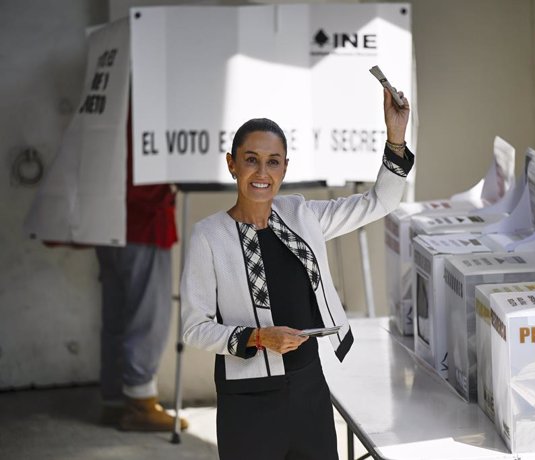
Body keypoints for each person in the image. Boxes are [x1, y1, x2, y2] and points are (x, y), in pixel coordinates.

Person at [180, 88, 413, 459]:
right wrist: (258, 337)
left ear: (285, 167)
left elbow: (380, 201)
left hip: (309, 388)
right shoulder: (209, 236)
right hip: (247, 400)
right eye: (251, 159)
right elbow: (194, 327)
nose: (262, 172)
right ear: (231, 164)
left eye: (273, 162)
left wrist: (396, 138)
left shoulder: (302, 215)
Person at [96, 111, 188, 432]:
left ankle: (114, 401)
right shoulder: (149, 107)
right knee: (148, 317)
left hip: (107, 222)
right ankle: (140, 402)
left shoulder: (116, 100)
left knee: (117, 316)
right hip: (144, 223)